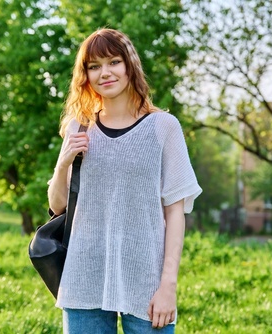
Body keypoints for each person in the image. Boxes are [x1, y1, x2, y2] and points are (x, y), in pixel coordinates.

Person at [47, 28, 202, 334]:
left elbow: (175, 212)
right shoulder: (79, 126)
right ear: (85, 76)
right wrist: (63, 162)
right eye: (94, 66)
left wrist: (168, 286)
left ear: (129, 65)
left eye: (113, 62)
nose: (104, 73)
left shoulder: (163, 127)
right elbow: (57, 206)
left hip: (146, 280)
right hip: (83, 276)